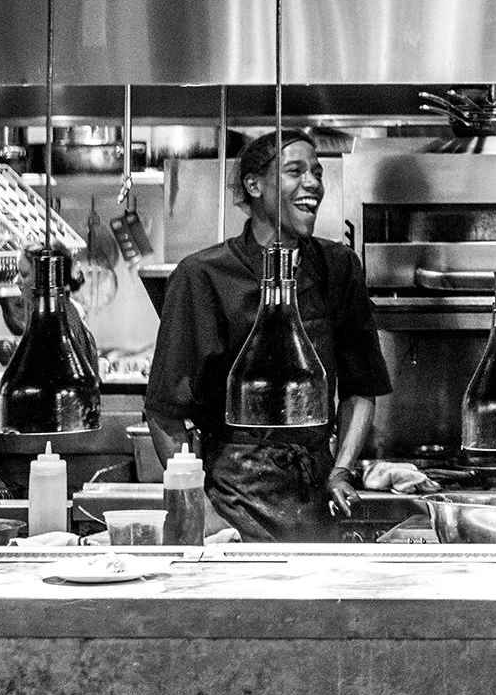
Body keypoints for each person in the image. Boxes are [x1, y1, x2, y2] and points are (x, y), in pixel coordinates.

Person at [145, 129, 394, 542]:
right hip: (233, 503)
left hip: (315, 499)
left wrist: (340, 470)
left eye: (317, 172)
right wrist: (202, 513)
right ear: (254, 185)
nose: (313, 183)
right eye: (295, 171)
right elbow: (164, 411)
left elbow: (361, 387)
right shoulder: (201, 276)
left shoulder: (339, 267)